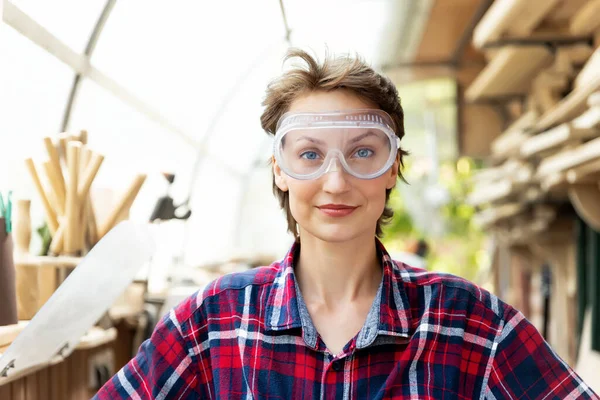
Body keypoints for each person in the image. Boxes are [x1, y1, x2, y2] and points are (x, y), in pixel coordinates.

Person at [94, 49, 597, 399]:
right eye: (310, 154)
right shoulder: (213, 322)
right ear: (280, 169)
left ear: (393, 168)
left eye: (362, 153)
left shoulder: (469, 324)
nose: (335, 182)